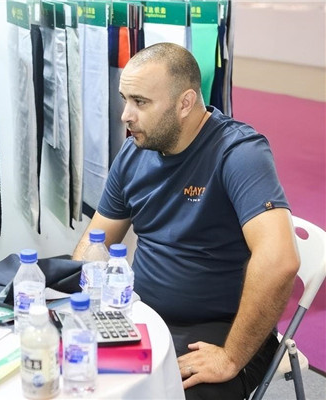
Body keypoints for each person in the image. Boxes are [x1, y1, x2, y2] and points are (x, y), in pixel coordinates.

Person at [72, 43, 299, 399]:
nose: (126, 115)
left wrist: (230, 357)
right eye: (125, 99)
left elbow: (280, 261)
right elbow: (93, 242)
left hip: (223, 332)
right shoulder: (133, 153)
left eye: (140, 102)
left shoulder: (239, 153)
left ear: (185, 103)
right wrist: (82, 308)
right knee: (73, 375)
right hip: (143, 316)